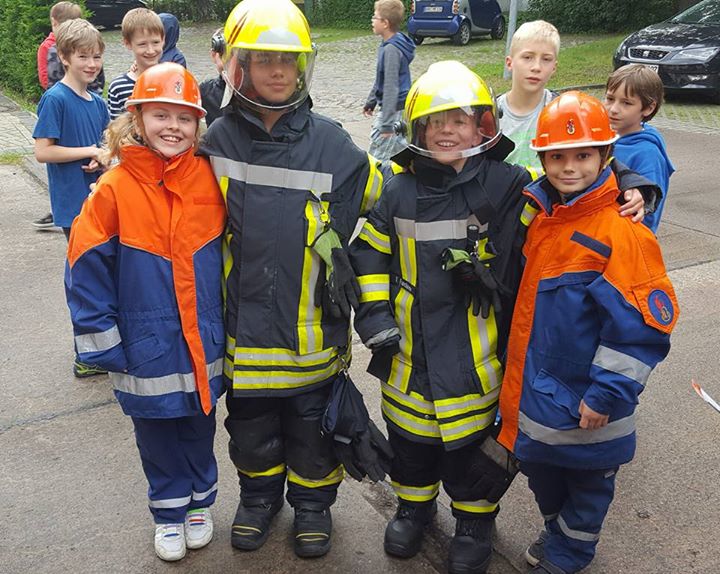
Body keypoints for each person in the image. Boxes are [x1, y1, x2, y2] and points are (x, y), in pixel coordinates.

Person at [350, 61, 655, 574]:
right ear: (418, 129)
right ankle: (414, 507)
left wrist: (630, 180)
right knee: (410, 445)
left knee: (472, 454)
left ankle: (474, 522)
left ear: (482, 126)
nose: (448, 131)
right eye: (435, 122)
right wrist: (377, 318)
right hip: (407, 357)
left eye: (460, 120)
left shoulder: (511, 184)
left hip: (478, 357)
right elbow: (368, 255)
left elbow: (570, 179)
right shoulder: (397, 190)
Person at [199, 0, 384, 559]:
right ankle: (258, 500)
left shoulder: (333, 144)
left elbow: (393, 198)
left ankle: (311, 506)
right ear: (240, 66)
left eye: (288, 60)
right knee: (251, 431)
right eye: (263, 60)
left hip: (313, 339)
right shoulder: (216, 141)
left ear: (304, 67)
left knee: (311, 432)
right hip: (245, 336)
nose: (277, 71)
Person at [497, 91, 679, 574]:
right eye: (557, 156)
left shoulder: (622, 231)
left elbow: (640, 332)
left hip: (589, 401)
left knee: (589, 487)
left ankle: (569, 554)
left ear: (605, 156)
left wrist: (606, 395)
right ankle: (558, 533)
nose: (569, 167)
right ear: (542, 158)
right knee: (541, 472)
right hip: (541, 393)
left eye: (583, 155)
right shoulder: (542, 214)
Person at [65, 63, 226, 563]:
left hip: (202, 336)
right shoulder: (114, 188)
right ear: (137, 117)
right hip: (145, 341)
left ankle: (200, 503)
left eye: (183, 117)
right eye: (160, 114)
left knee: (201, 425)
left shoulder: (209, 176)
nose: (172, 126)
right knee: (155, 432)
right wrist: (101, 338)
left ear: (199, 124)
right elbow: (85, 264)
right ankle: (168, 511)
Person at [33, 18, 109, 377]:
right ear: (64, 57)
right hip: (73, 205)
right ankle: (86, 354)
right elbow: (43, 152)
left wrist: (103, 154)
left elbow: (105, 145)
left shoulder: (97, 100)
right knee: (83, 279)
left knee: (103, 276)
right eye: (83, 56)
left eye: (96, 56)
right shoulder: (56, 98)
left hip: (100, 203)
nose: (91, 64)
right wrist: (87, 150)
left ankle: (101, 347)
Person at [604, 64, 674, 233]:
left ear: (648, 108)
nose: (613, 109)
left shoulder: (648, 154)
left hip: (625, 243)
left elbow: (648, 214)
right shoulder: (604, 138)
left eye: (626, 103)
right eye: (610, 99)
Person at [497, 20, 559, 175]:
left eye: (546, 59)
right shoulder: (491, 114)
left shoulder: (561, 111)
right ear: (509, 63)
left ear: (554, 67)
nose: (536, 67)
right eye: (527, 57)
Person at [363, 0, 415, 161]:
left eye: (375, 17)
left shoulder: (392, 49)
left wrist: (386, 124)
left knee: (377, 158)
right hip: (396, 110)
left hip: (394, 112)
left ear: (385, 23)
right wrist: (371, 101)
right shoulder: (389, 44)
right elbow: (381, 79)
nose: (372, 20)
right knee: (398, 153)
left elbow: (391, 86)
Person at [107, 7, 164, 119]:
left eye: (156, 42)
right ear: (127, 43)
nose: (151, 50)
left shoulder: (173, 80)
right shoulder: (118, 87)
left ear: (163, 40)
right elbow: (114, 131)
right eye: (142, 44)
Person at [199, 28, 226, 127]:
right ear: (213, 55)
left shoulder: (258, 91)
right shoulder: (206, 90)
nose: (230, 64)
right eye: (224, 56)